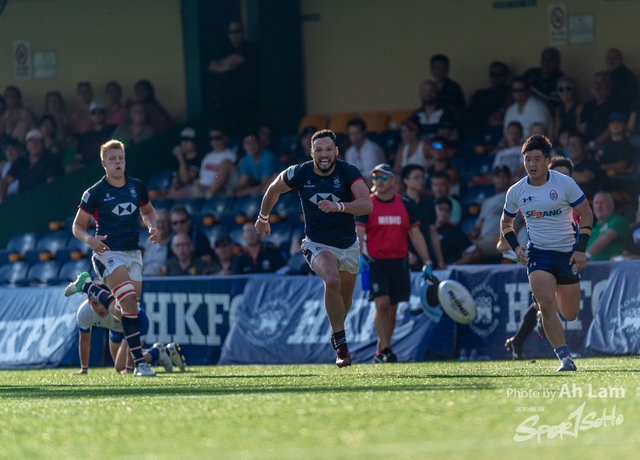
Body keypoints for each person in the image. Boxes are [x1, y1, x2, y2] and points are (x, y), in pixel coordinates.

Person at [254, 129, 373, 367]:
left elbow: (367, 204)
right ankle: (342, 346)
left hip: (348, 246)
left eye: (328, 149)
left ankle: (336, 331)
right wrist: (263, 218)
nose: (324, 154)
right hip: (317, 244)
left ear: (336, 151)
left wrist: (339, 206)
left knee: (345, 302)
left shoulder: (348, 171)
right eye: (319, 150)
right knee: (332, 280)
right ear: (311, 152)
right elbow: (273, 188)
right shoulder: (300, 172)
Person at [65, 139, 160, 377]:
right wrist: (90, 240)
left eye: (121, 158)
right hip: (107, 252)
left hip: (133, 253)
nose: (118, 163)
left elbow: (148, 211)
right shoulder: (95, 192)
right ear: (104, 163)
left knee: (128, 310)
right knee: (128, 302)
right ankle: (140, 365)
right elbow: (77, 226)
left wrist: (153, 226)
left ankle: (88, 287)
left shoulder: (137, 186)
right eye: (113, 159)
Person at [501, 134, 593, 371]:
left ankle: (545, 314)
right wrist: (516, 246)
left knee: (570, 314)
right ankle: (565, 358)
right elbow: (506, 223)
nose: (531, 164)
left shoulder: (564, 183)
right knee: (546, 302)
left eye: (537, 159)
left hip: (567, 254)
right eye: (527, 159)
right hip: (538, 254)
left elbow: (586, 213)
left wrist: (580, 250)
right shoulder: (516, 191)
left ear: (547, 160)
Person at [355, 164, 433, 363]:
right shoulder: (367, 205)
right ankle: (387, 349)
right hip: (376, 263)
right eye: (375, 177)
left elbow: (416, 235)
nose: (379, 181)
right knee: (381, 305)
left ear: (392, 180)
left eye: (383, 177)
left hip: (399, 263)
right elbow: (359, 233)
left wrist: (427, 261)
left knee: (392, 309)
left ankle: (380, 351)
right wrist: (359, 256)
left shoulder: (405, 205)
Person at [71, 280, 185, 374]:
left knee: (121, 366)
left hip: (135, 324)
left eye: (101, 302)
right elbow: (84, 341)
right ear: (89, 302)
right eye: (95, 303)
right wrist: (84, 369)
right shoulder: (84, 313)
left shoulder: (116, 306)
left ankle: (159, 352)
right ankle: (162, 351)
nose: (100, 308)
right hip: (115, 329)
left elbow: (133, 318)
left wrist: (129, 367)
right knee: (120, 363)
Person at [207, 20, 259, 135]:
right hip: (225, 99)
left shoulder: (248, 47)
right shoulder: (225, 48)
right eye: (231, 32)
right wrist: (227, 65)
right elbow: (211, 66)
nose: (234, 35)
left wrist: (222, 64)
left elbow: (232, 62)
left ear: (243, 32)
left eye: (237, 31)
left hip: (244, 99)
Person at [457, 165, 512, 264]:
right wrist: (470, 235)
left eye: (504, 177)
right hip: (483, 239)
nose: (501, 180)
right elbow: (479, 227)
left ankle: (451, 269)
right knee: (461, 248)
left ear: (509, 178)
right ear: (493, 179)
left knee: (474, 252)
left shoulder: (514, 197)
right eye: (498, 177)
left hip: (499, 239)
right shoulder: (487, 202)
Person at [400, 164, 446, 270]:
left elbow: (433, 233)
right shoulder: (399, 204)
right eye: (416, 178)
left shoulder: (429, 204)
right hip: (406, 258)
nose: (421, 181)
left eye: (422, 177)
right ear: (406, 180)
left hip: (427, 256)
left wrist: (440, 261)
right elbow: (395, 234)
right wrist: (406, 253)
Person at [0, 129, 64, 204]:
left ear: (42, 142)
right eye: (30, 142)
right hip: (23, 202)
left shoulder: (51, 159)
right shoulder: (21, 161)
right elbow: (7, 180)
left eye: (37, 141)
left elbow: (52, 185)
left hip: (44, 201)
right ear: (27, 145)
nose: (34, 144)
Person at [579, 71, 625, 148]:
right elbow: (582, 127)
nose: (598, 86)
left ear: (609, 84)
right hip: (586, 145)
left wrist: (594, 143)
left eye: (602, 83)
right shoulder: (588, 105)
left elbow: (614, 128)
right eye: (596, 83)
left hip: (607, 145)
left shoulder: (616, 104)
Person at [462, 61, 512, 133]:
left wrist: (500, 112)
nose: (496, 77)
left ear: (506, 75)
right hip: (477, 128)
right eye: (492, 74)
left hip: (496, 128)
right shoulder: (481, 94)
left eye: (499, 74)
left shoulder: (510, 92)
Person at [585, 191, 629, 261]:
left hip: (609, 267)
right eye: (596, 203)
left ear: (612, 206)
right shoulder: (592, 229)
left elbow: (606, 239)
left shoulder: (619, 220)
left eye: (602, 202)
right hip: (589, 267)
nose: (599, 206)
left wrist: (586, 255)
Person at [232, 132, 279, 197]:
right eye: (248, 143)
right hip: (259, 185)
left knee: (265, 189)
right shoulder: (246, 159)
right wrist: (234, 190)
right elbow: (242, 182)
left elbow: (264, 184)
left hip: (281, 183)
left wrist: (242, 193)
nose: (251, 146)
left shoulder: (267, 157)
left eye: (254, 142)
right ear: (244, 146)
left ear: (259, 143)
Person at [195, 127, 237, 198]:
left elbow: (224, 176)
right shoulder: (207, 156)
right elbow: (202, 175)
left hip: (218, 190)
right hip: (201, 188)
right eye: (211, 138)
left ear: (225, 138)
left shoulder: (231, 155)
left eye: (217, 137)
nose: (214, 141)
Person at [72, 101, 116, 168]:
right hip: (88, 168)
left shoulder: (113, 130)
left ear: (105, 114)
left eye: (100, 112)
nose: (97, 115)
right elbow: (78, 156)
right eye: (94, 112)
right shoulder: (85, 136)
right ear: (90, 116)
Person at [344, 118, 385, 189]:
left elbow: (370, 181)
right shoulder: (349, 152)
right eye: (351, 134)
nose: (355, 137)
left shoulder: (372, 150)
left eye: (357, 133)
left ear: (364, 132)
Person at [566, 132, 603, 200]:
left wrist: (561, 172)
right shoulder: (568, 165)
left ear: (585, 147)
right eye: (570, 144)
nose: (572, 147)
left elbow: (584, 178)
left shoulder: (592, 163)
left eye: (576, 144)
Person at [435, 197, 472, 263]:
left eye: (447, 210)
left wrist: (454, 266)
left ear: (450, 214)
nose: (443, 213)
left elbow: (472, 252)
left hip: (443, 267)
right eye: (440, 209)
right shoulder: (424, 228)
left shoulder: (454, 232)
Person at [167, 127, 201, 198]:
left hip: (194, 194)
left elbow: (186, 179)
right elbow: (174, 184)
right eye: (183, 141)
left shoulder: (198, 159)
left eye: (188, 141)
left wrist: (180, 157)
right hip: (180, 193)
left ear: (195, 143)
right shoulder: (178, 160)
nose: (184, 144)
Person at [141, 209, 172, 276]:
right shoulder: (148, 242)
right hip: (145, 277)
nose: (161, 225)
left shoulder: (174, 243)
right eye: (158, 222)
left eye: (164, 222)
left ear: (169, 223)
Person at [552, 76, 583, 142]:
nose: (565, 92)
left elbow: (580, 133)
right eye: (561, 89)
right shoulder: (559, 109)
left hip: (574, 142)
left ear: (574, 90)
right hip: (561, 142)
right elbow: (556, 132)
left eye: (568, 88)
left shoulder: (579, 107)